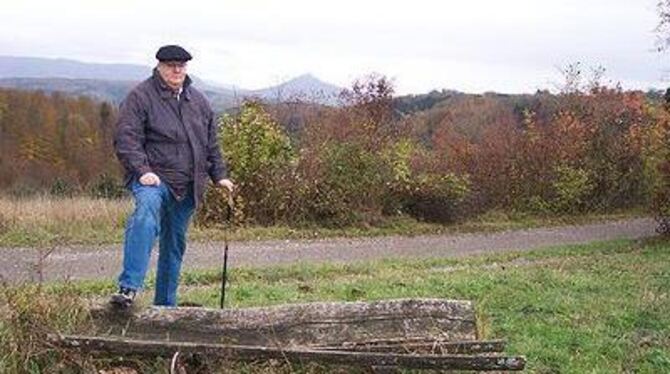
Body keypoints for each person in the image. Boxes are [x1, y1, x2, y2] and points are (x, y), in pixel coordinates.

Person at [111, 45, 233, 307]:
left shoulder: (198, 101)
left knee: (174, 245)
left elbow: (210, 143)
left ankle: (165, 307)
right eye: (171, 65)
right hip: (154, 180)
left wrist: (219, 175)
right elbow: (126, 139)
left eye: (181, 65)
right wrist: (143, 171)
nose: (177, 70)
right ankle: (128, 288)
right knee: (145, 216)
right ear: (159, 66)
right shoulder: (140, 97)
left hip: (188, 185)